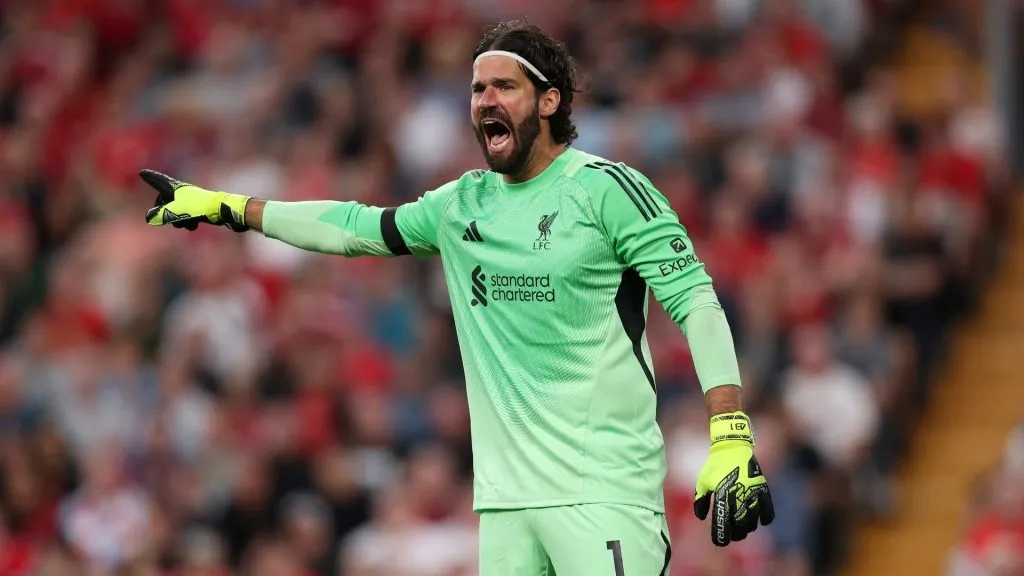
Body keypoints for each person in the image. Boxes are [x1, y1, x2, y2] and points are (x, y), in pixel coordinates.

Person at [139, 20, 774, 575]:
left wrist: (730, 431)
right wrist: (227, 208)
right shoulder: (461, 203)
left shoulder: (608, 190)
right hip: (503, 506)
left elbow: (696, 300)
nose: (484, 101)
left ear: (550, 101)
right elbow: (359, 228)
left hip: (602, 490)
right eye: (476, 89)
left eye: (504, 87)